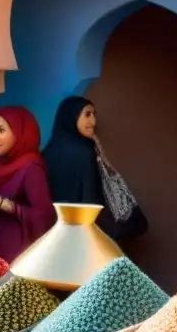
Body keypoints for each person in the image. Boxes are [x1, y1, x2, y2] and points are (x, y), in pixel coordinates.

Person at [42, 95, 147, 241]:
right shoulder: (85, 153)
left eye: (93, 115)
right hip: (82, 236)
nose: (93, 121)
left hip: (52, 236)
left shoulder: (47, 152)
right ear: (72, 116)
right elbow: (91, 203)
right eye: (87, 114)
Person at [0, 105, 55, 262]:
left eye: (1, 130)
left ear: (19, 134)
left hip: (18, 253)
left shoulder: (31, 168)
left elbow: (45, 217)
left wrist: (2, 204)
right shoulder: (2, 164)